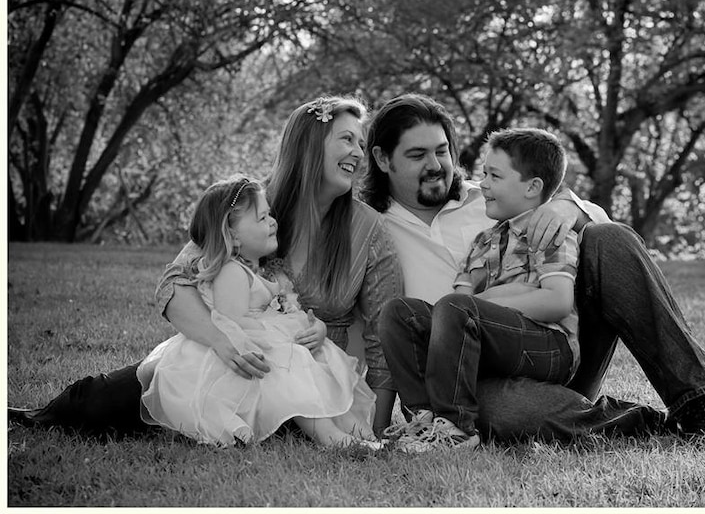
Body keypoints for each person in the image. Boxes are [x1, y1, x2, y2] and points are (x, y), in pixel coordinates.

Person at [9, 96, 403, 438]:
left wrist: (379, 423)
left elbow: (384, 336)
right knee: (101, 402)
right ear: (309, 145)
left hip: (303, 381)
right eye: (347, 139)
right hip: (221, 359)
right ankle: (39, 414)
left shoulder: (369, 230)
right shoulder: (249, 205)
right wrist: (221, 341)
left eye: (361, 144)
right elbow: (175, 282)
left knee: (285, 423)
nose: (358, 152)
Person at [361, 93, 705, 443]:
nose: (435, 166)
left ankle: (698, 405)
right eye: (417, 155)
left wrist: (565, 208)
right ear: (382, 159)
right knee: (506, 412)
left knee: (609, 238)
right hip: (467, 384)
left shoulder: (491, 196)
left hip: (555, 349)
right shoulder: (369, 230)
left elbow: (597, 233)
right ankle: (646, 423)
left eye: (442, 151)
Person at [137, 175, 379, 449]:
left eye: (269, 215)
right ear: (233, 235)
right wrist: (284, 339)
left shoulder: (270, 272)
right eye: (262, 219)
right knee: (296, 367)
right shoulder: (231, 272)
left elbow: (295, 312)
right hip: (240, 359)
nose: (273, 222)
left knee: (320, 364)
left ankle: (360, 432)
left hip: (265, 351)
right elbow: (231, 321)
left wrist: (317, 328)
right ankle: (330, 437)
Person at [382, 128, 585, 451]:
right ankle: (425, 418)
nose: (484, 184)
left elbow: (558, 301)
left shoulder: (548, 233)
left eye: (494, 176)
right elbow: (458, 303)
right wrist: (465, 311)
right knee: (399, 312)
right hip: (493, 345)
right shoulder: (482, 242)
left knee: (458, 307)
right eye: (483, 174)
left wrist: (492, 301)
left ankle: (456, 427)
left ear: (533, 187)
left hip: (548, 345)